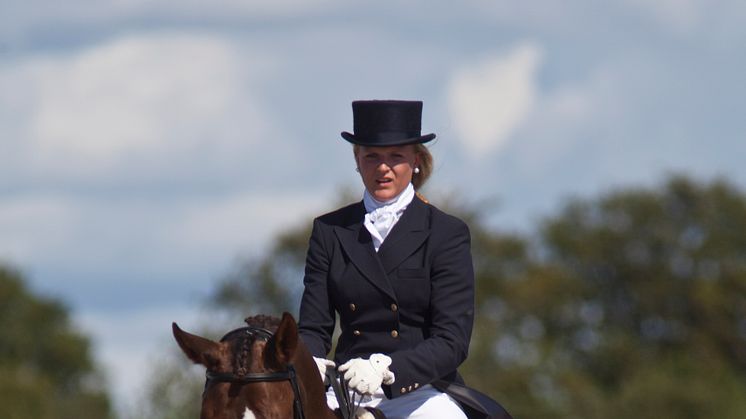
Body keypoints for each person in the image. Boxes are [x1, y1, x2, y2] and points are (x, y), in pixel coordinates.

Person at [297, 100, 475, 419]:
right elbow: (313, 327)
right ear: (357, 160)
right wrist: (309, 361)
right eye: (372, 157)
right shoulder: (330, 230)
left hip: (419, 392)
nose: (383, 168)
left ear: (416, 161)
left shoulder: (446, 233)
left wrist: (387, 371)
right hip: (346, 389)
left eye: (396, 157)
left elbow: (452, 340)